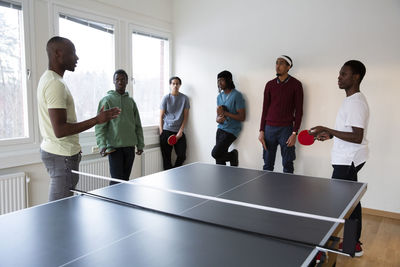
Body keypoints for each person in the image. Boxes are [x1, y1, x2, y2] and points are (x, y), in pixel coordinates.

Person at [37, 36, 120, 201]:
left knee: (62, 207)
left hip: (59, 152)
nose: (77, 58)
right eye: (72, 53)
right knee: (58, 210)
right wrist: (97, 119)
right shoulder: (55, 84)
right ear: (58, 53)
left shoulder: (49, 79)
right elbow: (60, 130)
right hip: (62, 156)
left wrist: (73, 145)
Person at [310, 60, 369, 257]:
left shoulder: (356, 102)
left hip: (348, 160)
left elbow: (357, 136)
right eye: (339, 73)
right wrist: (332, 135)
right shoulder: (350, 100)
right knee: (351, 202)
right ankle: (354, 244)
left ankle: (323, 248)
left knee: (336, 204)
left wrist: (326, 128)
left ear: (356, 77)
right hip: (347, 157)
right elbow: (349, 131)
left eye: (344, 74)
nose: (339, 77)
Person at [95, 69, 144, 184]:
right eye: (117, 79)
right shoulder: (106, 100)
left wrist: (140, 144)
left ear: (127, 81)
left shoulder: (131, 102)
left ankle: (122, 202)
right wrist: (102, 145)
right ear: (113, 81)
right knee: (116, 182)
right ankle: (113, 202)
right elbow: (100, 126)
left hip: (130, 147)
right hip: (114, 148)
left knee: (125, 181)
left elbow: (138, 124)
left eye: (123, 79)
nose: (120, 82)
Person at [258, 55, 303, 173]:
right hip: (269, 129)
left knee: (288, 164)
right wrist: (261, 130)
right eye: (277, 63)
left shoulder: (296, 85)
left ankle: (288, 191)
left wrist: (294, 133)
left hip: (286, 129)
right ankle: (266, 190)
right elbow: (264, 109)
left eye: (282, 63)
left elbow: (299, 111)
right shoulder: (269, 85)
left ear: (289, 67)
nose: (278, 66)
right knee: (267, 164)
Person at [211, 70, 245, 166]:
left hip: (231, 130)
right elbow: (218, 115)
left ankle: (232, 156)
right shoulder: (219, 97)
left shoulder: (237, 95)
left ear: (229, 80)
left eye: (222, 80)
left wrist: (226, 113)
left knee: (216, 153)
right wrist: (218, 119)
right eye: (218, 81)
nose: (219, 83)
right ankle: (224, 180)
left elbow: (242, 117)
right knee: (219, 161)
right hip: (220, 129)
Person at [159, 76, 190, 170]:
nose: (175, 85)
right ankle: (169, 179)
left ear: (180, 85)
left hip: (178, 132)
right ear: (170, 85)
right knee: (166, 159)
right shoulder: (165, 98)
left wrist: (181, 131)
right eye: (173, 83)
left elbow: (185, 117)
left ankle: (174, 172)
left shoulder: (185, 98)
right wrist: (161, 132)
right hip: (166, 131)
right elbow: (161, 116)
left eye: (177, 83)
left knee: (182, 155)